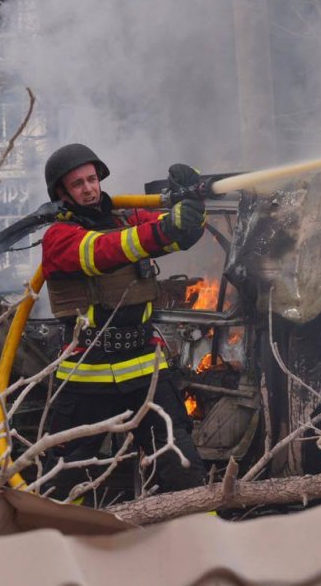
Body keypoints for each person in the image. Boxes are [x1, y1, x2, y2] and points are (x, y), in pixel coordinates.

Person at [41, 143, 208, 499]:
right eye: (78, 184)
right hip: (88, 374)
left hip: (144, 367)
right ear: (62, 193)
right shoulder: (58, 238)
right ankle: (56, 531)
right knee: (66, 475)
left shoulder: (125, 219)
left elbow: (179, 234)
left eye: (92, 180)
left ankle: (196, 529)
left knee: (180, 462)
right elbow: (105, 251)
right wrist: (164, 230)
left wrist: (192, 206)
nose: (89, 189)